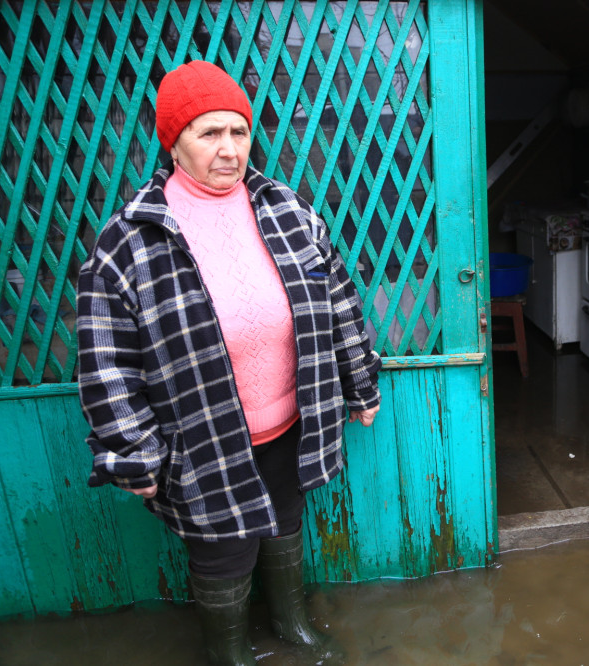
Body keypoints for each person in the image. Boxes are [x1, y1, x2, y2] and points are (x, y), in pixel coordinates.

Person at [76, 60, 381, 665]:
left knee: (285, 520)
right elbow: (105, 360)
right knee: (222, 546)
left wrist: (361, 383)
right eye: (208, 133)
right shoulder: (131, 239)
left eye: (237, 132)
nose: (228, 149)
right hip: (201, 438)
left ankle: (291, 625)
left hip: (291, 421)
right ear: (174, 142)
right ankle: (230, 653)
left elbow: (338, 299)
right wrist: (131, 452)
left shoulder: (287, 210)